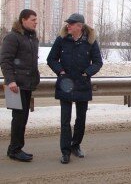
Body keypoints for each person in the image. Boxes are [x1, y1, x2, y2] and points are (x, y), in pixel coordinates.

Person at [47, 13, 103, 164]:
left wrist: (87, 73)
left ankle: (75, 145)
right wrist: (61, 71)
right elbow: (51, 59)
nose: (68, 26)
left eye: (71, 24)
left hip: (82, 85)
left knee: (81, 119)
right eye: (68, 23)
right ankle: (65, 152)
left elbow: (98, 62)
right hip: (65, 85)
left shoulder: (90, 42)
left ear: (80, 26)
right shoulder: (61, 40)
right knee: (65, 120)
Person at [0, 9, 40, 162]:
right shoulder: (12, 37)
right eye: (33, 19)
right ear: (23, 20)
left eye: (36, 20)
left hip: (27, 84)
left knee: (23, 118)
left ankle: (15, 148)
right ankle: (15, 150)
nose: (36, 22)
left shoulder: (31, 38)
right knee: (18, 118)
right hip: (14, 86)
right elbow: (5, 61)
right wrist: (10, 80)